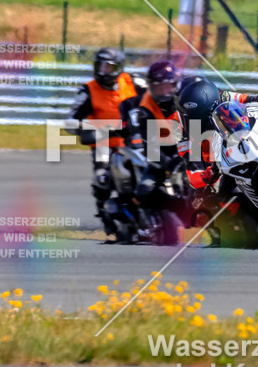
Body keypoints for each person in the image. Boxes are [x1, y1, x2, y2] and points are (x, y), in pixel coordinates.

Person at [67, 47, 142, 239]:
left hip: (133, 140)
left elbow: (153, 101)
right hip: (103, 143)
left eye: (108, 67)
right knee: (102, 178)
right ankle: (105, 214)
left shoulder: (133, 82)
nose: (103, 71)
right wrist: (85, 128)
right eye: (100, 66)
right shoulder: (87, 90)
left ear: (118, 68)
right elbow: (71, 121)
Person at [120, 60, 184, 204]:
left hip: (188, 152)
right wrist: (168, 163)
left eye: (167, 87)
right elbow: (149, 145)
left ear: (175, 84)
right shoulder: (144, 108)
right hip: (161, 154)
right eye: (158, 88)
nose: (163, 92)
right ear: (150, 87)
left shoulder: (186, 101)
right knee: (143, 191)